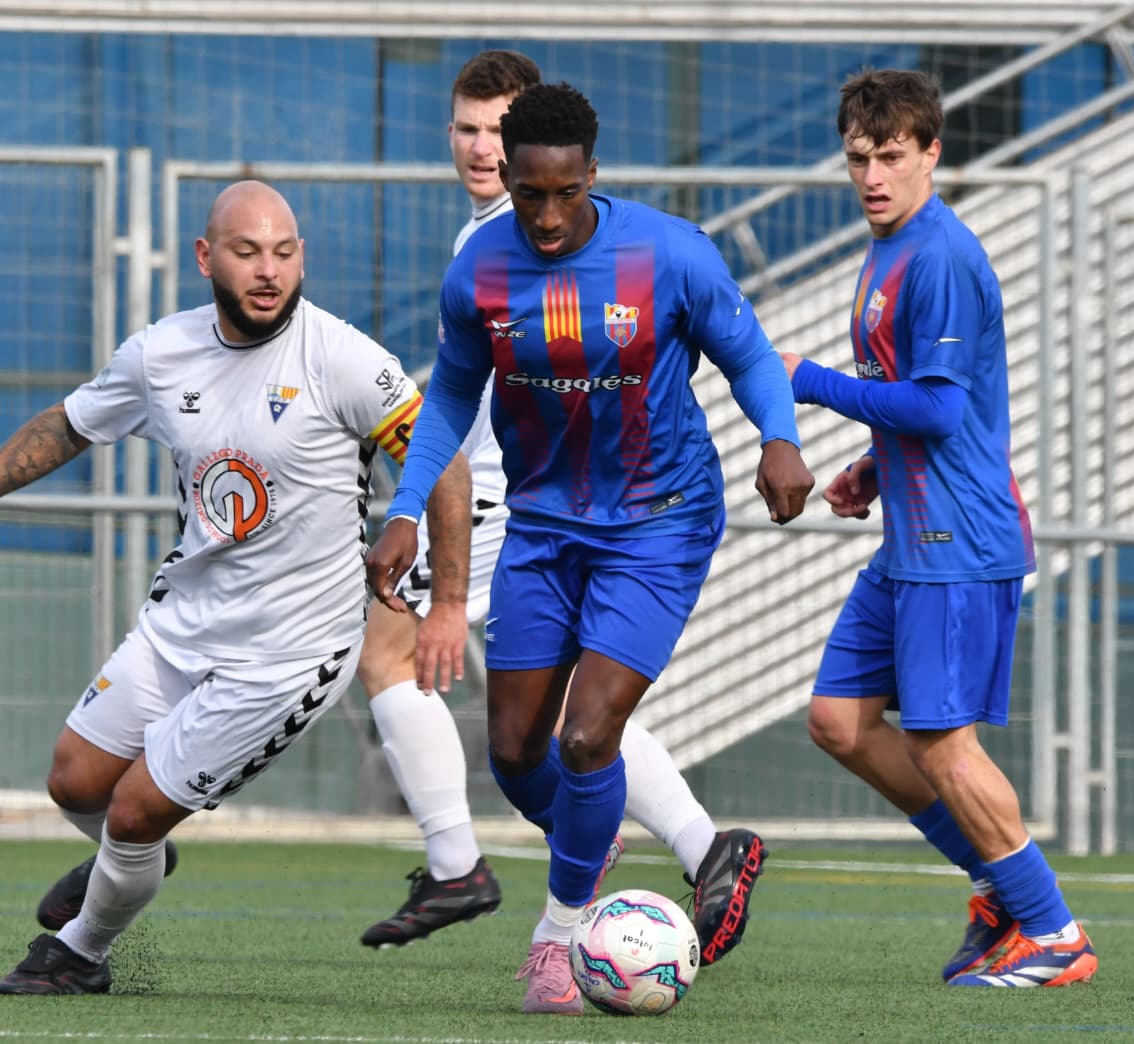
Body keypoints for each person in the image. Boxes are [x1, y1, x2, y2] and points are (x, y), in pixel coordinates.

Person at [0, 180, 470, 994]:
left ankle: (81, 952)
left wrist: (443, 596)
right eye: (247, 252)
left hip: (291, 653)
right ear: (205, 257)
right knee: (74, 782)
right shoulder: (160, 353)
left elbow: (445, 461)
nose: (268, 271)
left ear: (302, 258)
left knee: (132, 811)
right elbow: (70, 424)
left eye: (284, 252)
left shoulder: (341, 358)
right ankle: (135, 861)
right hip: (185, 619)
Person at [365, 82, 815, 1013]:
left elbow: (749, 356)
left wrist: (780, 439)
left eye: (566, 193)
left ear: (592, 175)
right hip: (543, 525)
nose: (547, 216)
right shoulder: (479, 272)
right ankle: (619, 840)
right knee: (514, 752)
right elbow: (450, 396)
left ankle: (560, 934)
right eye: (529, 194)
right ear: (509, 181)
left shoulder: (668, 254)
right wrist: (405, 508)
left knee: (586, 735)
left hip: (660, 522)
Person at [780, 68, 1097, 988]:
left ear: (931, 153)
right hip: (910, 540)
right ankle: (998, 884)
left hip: (959, 543)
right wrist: (871, 468)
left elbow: (941, 409)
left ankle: (1054, 934)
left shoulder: (942, 257)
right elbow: (916, 402)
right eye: (858, 159)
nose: (873, 175)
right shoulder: (887, 247)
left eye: (891, 156)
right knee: (840, 722)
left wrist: (806, 379)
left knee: (941, 742)